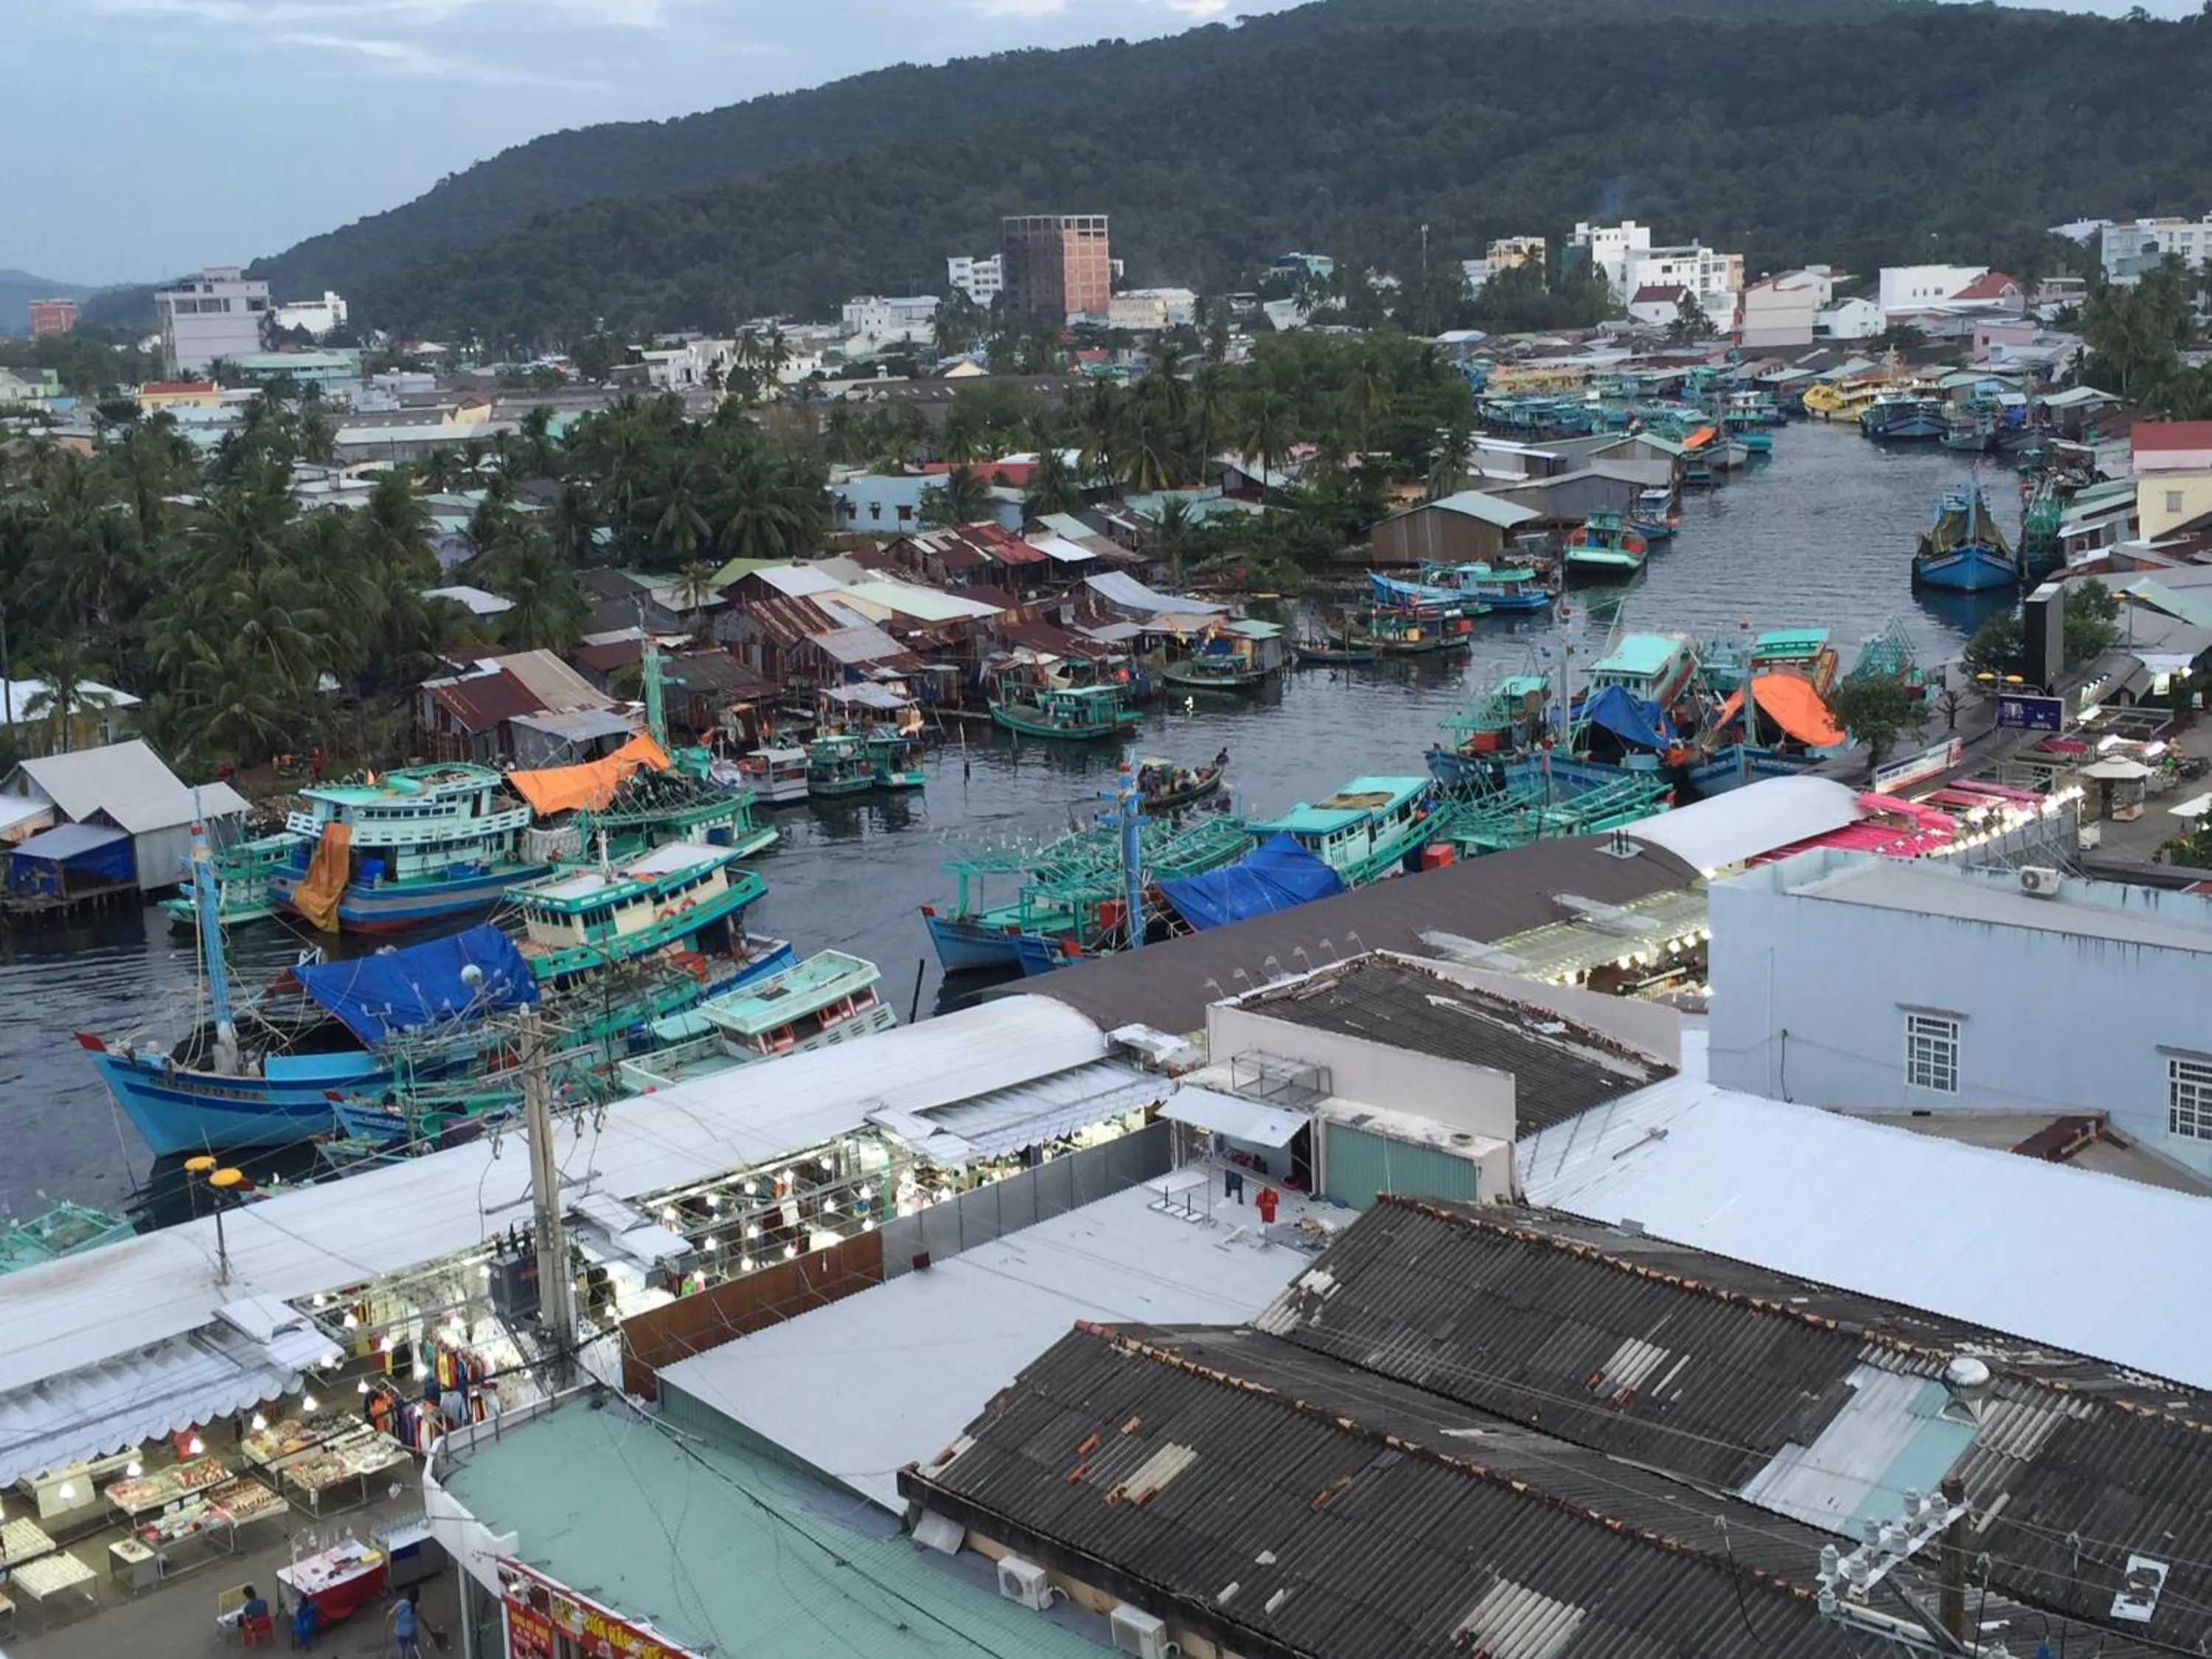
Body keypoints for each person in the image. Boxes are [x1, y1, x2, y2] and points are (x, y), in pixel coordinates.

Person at [389, 1587, 421, 1659]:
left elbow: (390, 1613)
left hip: (398, 1632)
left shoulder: (401, 1602)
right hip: (410, 1632)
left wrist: (388, 1619)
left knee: (402, 1651)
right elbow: (420, 1616)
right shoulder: (416, 1606)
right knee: (413, 1647)